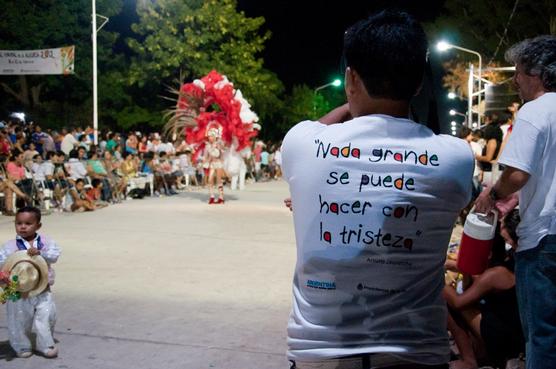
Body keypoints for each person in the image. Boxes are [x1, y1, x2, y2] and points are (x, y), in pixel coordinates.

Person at [281, 11, 474, 369]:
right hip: (414, 353)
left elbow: (310, 131)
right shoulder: (455, 157)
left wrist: (352, 101)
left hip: (319, 354)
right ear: (418, 84)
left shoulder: (304, 145)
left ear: (351, 77)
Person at [474, 35, 556, 369]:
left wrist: (490, 194)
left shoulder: (535, 112)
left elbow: (517, 176)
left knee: (543, 336)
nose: (514, 80)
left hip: (544, 239)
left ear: (538, 73)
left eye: (519, 72)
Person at [444, 210, 524, 369]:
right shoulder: (510, 261)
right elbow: (470, 282)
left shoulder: (496, 274)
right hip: (512, 330)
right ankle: (481, 353)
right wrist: (462, 268)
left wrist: (436, 279)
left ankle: (469, 360)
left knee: (449, 300)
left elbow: (459, 302)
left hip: (506, 337)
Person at [0, 206, 61, 358]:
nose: (23, 227)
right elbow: (2, 263)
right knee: (19, 318)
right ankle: (21, 346)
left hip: (42, 288)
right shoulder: (9, 246)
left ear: (38, 225)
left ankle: (45, 344)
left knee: (46, 315)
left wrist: (41, 252)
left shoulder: (45, 242)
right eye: (19, 223)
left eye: (28, 223)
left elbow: (54, 255)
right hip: (18, 290)